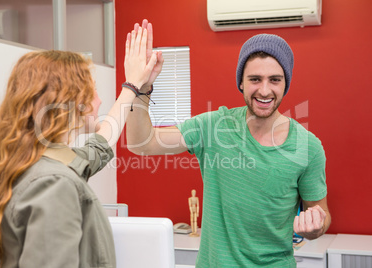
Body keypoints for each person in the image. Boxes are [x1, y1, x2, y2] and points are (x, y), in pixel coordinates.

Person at [126, 21, 331, 267]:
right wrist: (141, 88)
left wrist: (315, 227)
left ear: (285, 82)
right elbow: (141, 143)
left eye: (274, 80)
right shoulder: (214, 127)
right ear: (241, 82)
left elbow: (322, 214)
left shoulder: (307, 147)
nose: (265, 90)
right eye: (255, 79)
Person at [0, 24, 160, 268]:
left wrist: (133, 86)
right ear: (72, 101)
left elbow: (101, 143)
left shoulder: (36, 165)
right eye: (93, 90)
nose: (100, 99)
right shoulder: (54, 184)